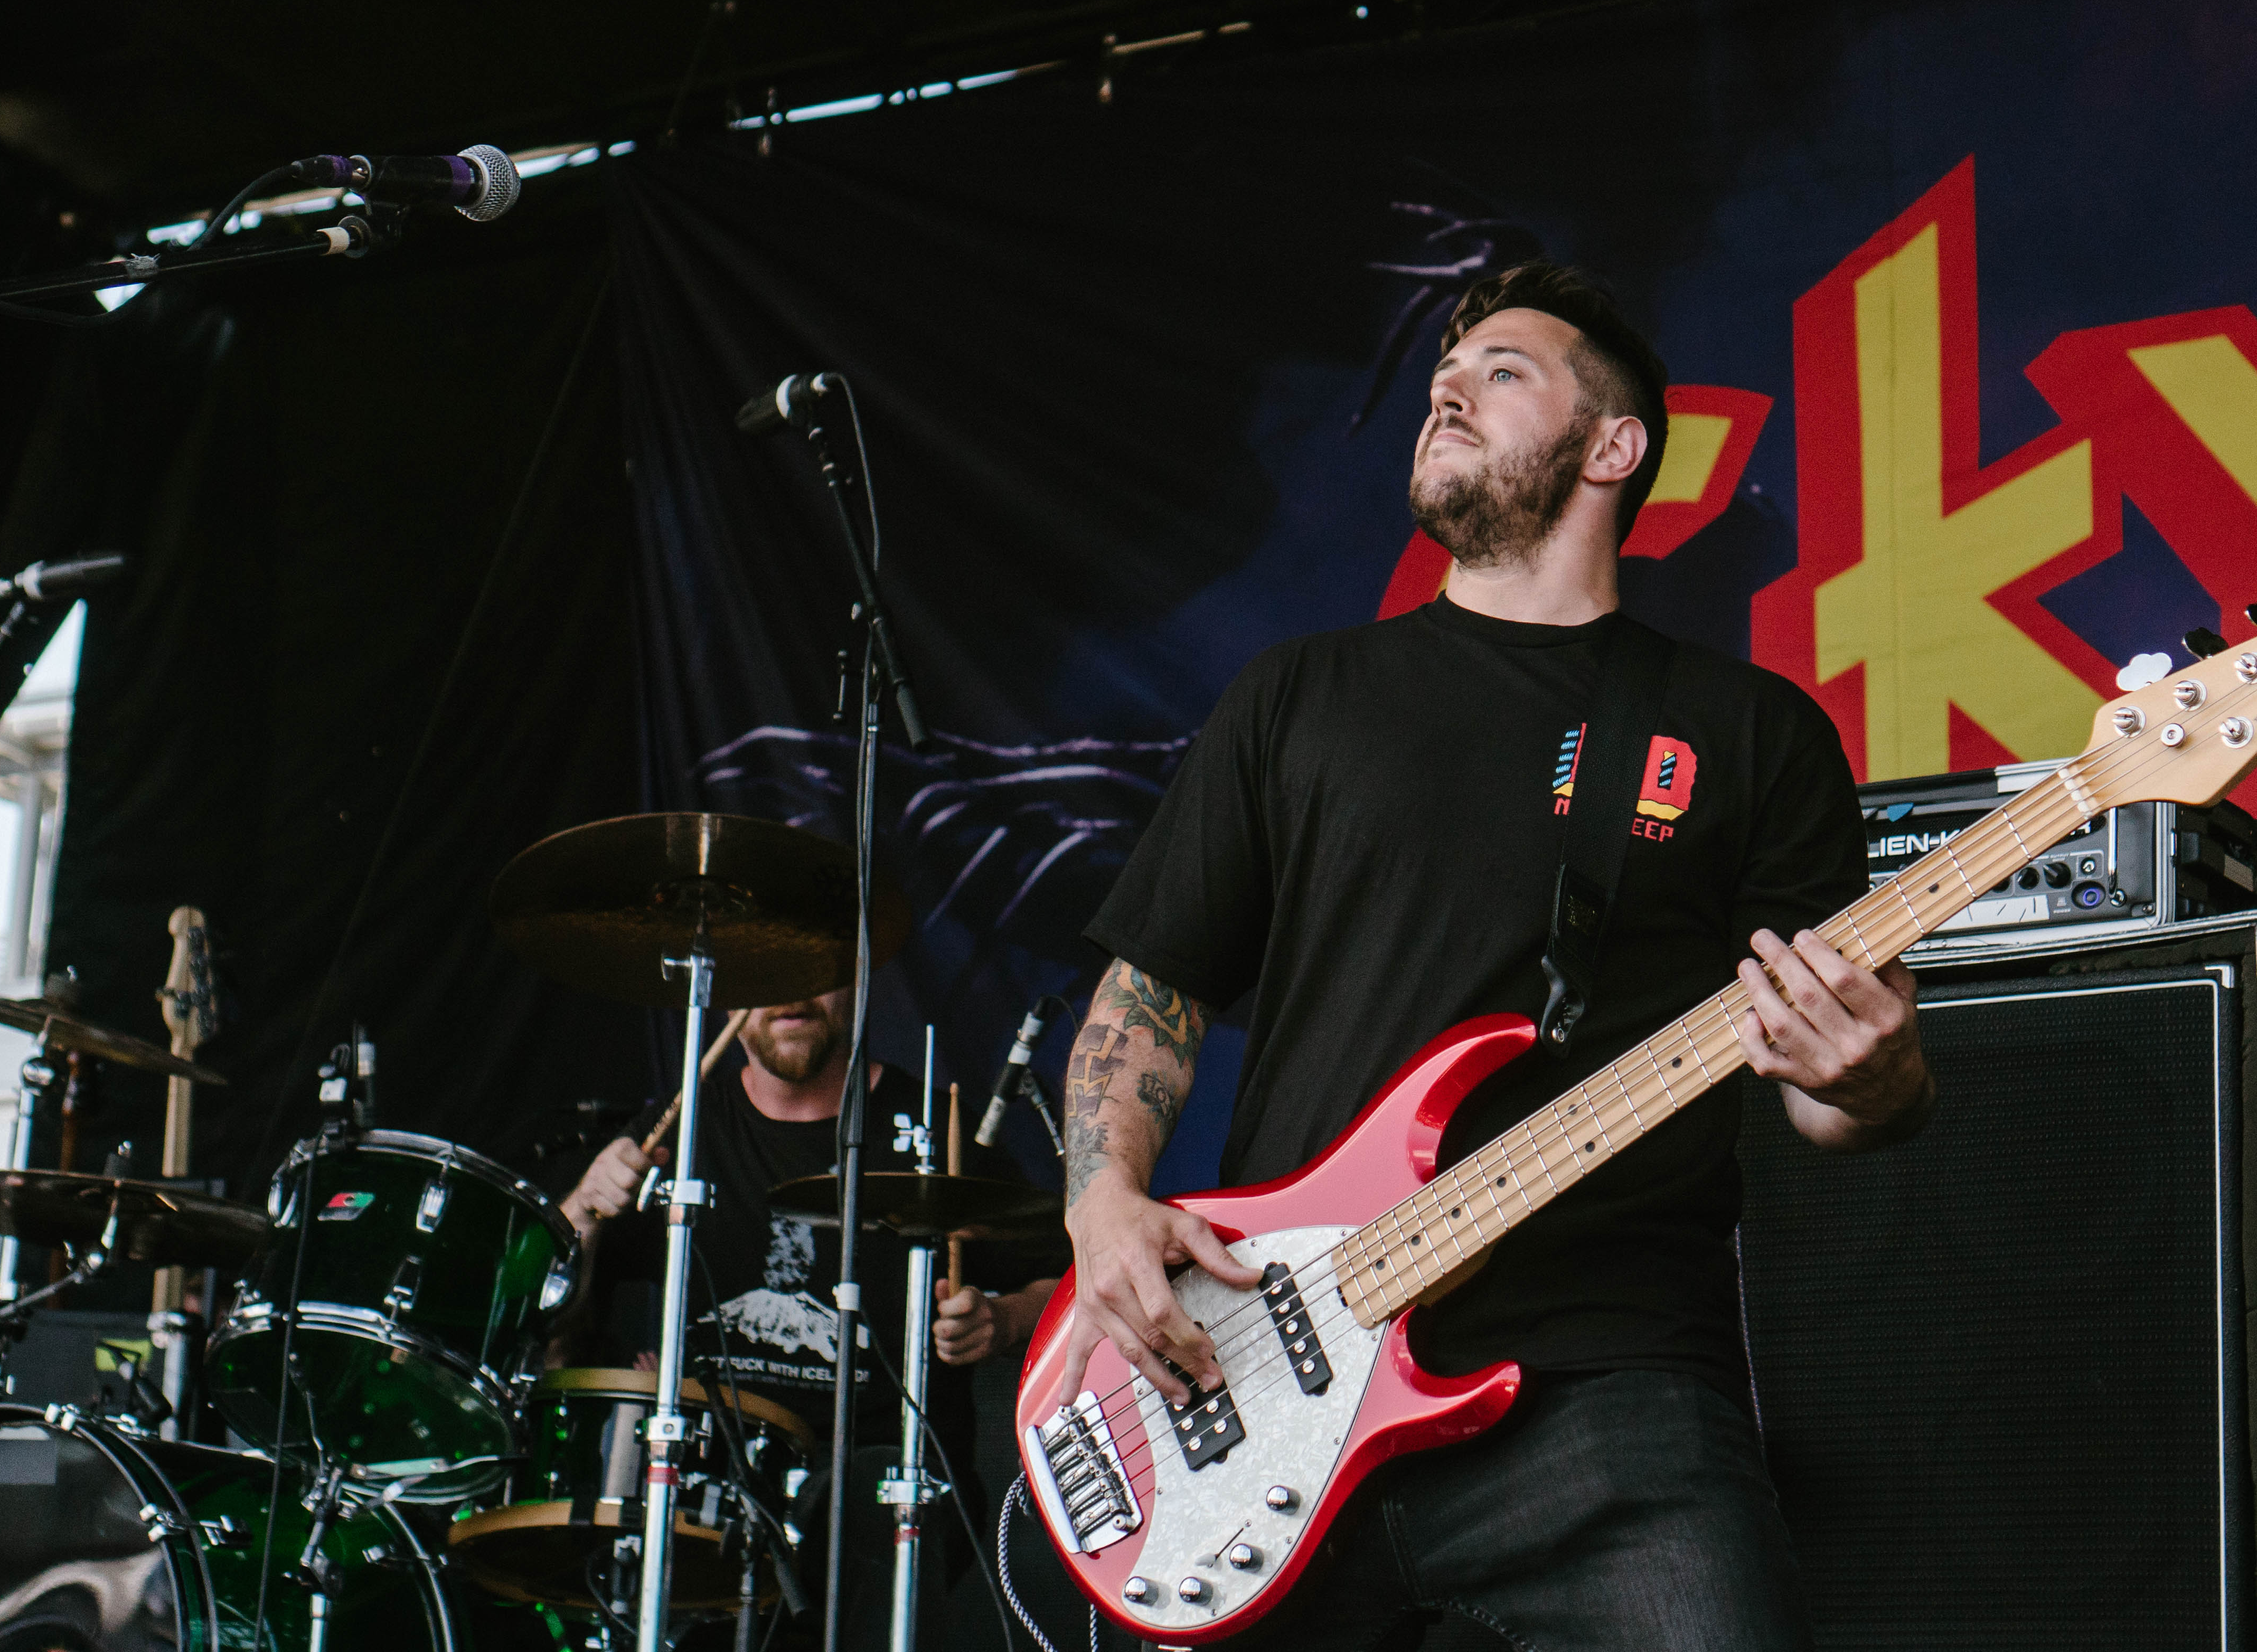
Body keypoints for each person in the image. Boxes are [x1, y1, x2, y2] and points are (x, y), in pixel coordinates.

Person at [1064, 262, 1937, 1650]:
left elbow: (1825, 1099)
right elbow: (1152, 990)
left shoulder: (1751, 731)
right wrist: (1103, 1199)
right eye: (1440, 381)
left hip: (1610, 1378)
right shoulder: (1300, 693)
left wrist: (1875, 1077)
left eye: (1502, 372)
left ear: (1614, 445)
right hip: (1282, 1377)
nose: (1449, 393)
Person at [554, 987, 1053, 1628]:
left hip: (886, 1483)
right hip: (710, 1478)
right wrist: (584, 1208)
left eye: (812, 966)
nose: (791, 993)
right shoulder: (680, 1128)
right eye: (769, 970)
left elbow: (1066, 1284)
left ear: (857, 978)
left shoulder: (932, 1126)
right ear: (727, 999)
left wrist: (1002, 1320)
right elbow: (548, 1308)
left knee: (866, 1502)